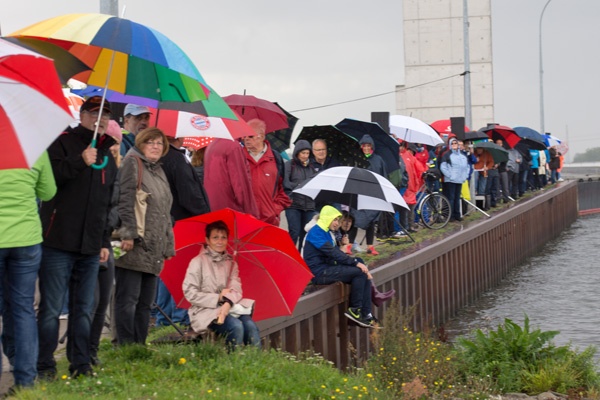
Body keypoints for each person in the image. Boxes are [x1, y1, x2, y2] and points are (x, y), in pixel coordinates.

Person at [37, 96, 118, 379]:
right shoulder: (60, 143)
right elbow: (49, 182)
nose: (101, 119)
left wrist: (105, 241)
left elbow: (107, 202)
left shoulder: (108, 153)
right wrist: (80, 161)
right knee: (49, 309)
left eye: (106, 115)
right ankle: (45, 365)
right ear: (82, 115)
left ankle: (80, 364)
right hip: (57, 242)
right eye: (95, 113)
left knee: (83, 310)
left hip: (91, 246)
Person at [0, 152, 56, 390]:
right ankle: (25, 382)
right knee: (24, 309)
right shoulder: (32, 147)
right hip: (26, 238)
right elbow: (48, 192)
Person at [114, 127, 175, 345]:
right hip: (135, 243)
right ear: (141, 144)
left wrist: (168, 244)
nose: (155, 146)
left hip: (154, 246)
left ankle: (139, 345)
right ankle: (125, 344)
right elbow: (125, 200)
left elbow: (165, 210)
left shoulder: (158, 169)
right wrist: (128, 234)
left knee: (145, 302)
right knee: (128, 299)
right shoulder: (133, 163)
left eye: (159, 143)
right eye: (150, 142)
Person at [155, 134, 212, 327]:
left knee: (168, 270)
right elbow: (189, 194)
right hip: (183, 221)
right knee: (181, 271)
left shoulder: (162, 156)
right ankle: (178, 316)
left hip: (169, 220)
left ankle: (163, 317)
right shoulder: (176, 158)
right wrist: (206, 216)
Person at [183, 220, 261, 351]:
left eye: (223, 237)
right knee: (236, 327)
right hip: (206, 310)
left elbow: (236, 288)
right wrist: (217, 298)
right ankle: (233, 364)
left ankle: (256, 364)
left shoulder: (231, 263)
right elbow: (190, 292)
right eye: (215, 237)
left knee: (250, 326)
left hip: (230, 307)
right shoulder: (197, 262)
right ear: (207, 240)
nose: (220, 241)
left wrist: (226, 304)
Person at [303, 206, 381, 328]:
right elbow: (332, 253)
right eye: (334, 220)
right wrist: (354, 263)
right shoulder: (316, 233)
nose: (337, 223)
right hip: (319, 273)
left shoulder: (326, 232)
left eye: (338, 220)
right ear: (327, 218)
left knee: (360, 264)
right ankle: (355, 310)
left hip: (327, 267)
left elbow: (335, 253)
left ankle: (366, 313)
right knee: (359, 271)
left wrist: (343, 246)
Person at [243, 119, 291, 226]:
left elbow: (285, 191)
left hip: (269, 221)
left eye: (250, 136)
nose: (246, 139)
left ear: (261, 136)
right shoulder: (239, 157)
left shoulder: (276, 158)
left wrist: (273, 210)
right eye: (244, 136)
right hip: (245, 220)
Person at [350, 135, 387, 255]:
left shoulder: (378, 159)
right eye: (364, 145)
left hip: (373, 194)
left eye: (368, 145)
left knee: (371, 220)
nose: (366, 148)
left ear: (372, 146)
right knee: (354, 219)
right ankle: (350, 245)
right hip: (358, 193)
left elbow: (383, 176)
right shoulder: (356, 159)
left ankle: (370, 246)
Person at [203, 138, 258, 216]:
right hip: (231, 208)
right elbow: (240, 184)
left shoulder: (212, 145)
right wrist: (251, 212)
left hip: (214, 207)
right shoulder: (233, 147)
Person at [283, 139, 318, 251]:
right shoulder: (289, 165)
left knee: (305, 233)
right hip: (293, 205)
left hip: (309, 206)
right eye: (303, 153)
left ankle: (300, 257)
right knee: (294, 232)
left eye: (307, 153)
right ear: (297, 152)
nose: (305, 155)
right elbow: (285, 183)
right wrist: (300, 186)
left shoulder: (312, 168)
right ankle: (289, 255)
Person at [440, 138, 469, 222]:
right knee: (451, 198)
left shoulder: (463, 156)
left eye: (455, 143)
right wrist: (450, 176)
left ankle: (457, 214)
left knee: (457, 198)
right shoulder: (447, 155)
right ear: (450, 145)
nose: (454, 145)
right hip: (451, 180)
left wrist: (465, 175)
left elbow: (467, 167)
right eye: (452, 143)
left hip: (460, 179)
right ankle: (451, 216)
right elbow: (443, 167)